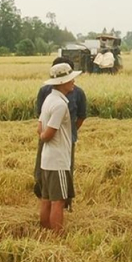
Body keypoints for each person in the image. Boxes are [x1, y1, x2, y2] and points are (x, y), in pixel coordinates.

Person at [36, 62, 81, 233]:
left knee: (46, 199)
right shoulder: (61, 105)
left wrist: (42, 135)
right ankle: (56, 237)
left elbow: (39, 125)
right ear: (62, 83)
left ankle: (45, 232)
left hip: (47, 159)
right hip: (58, 160)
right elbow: (47, 133)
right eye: (70, 79)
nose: (73, 82)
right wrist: (43, 137)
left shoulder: (49, 99)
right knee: (59, 200)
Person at [35, 56, 87, 189]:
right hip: (49, 139)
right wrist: (47, 134)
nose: (73, 81)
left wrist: (68, 131)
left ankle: (63, 202)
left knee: (65, 172)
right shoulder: (46, 93)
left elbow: (81, 116)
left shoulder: (78, 93)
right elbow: (41, 117)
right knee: (43, 172)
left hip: (65, 140)